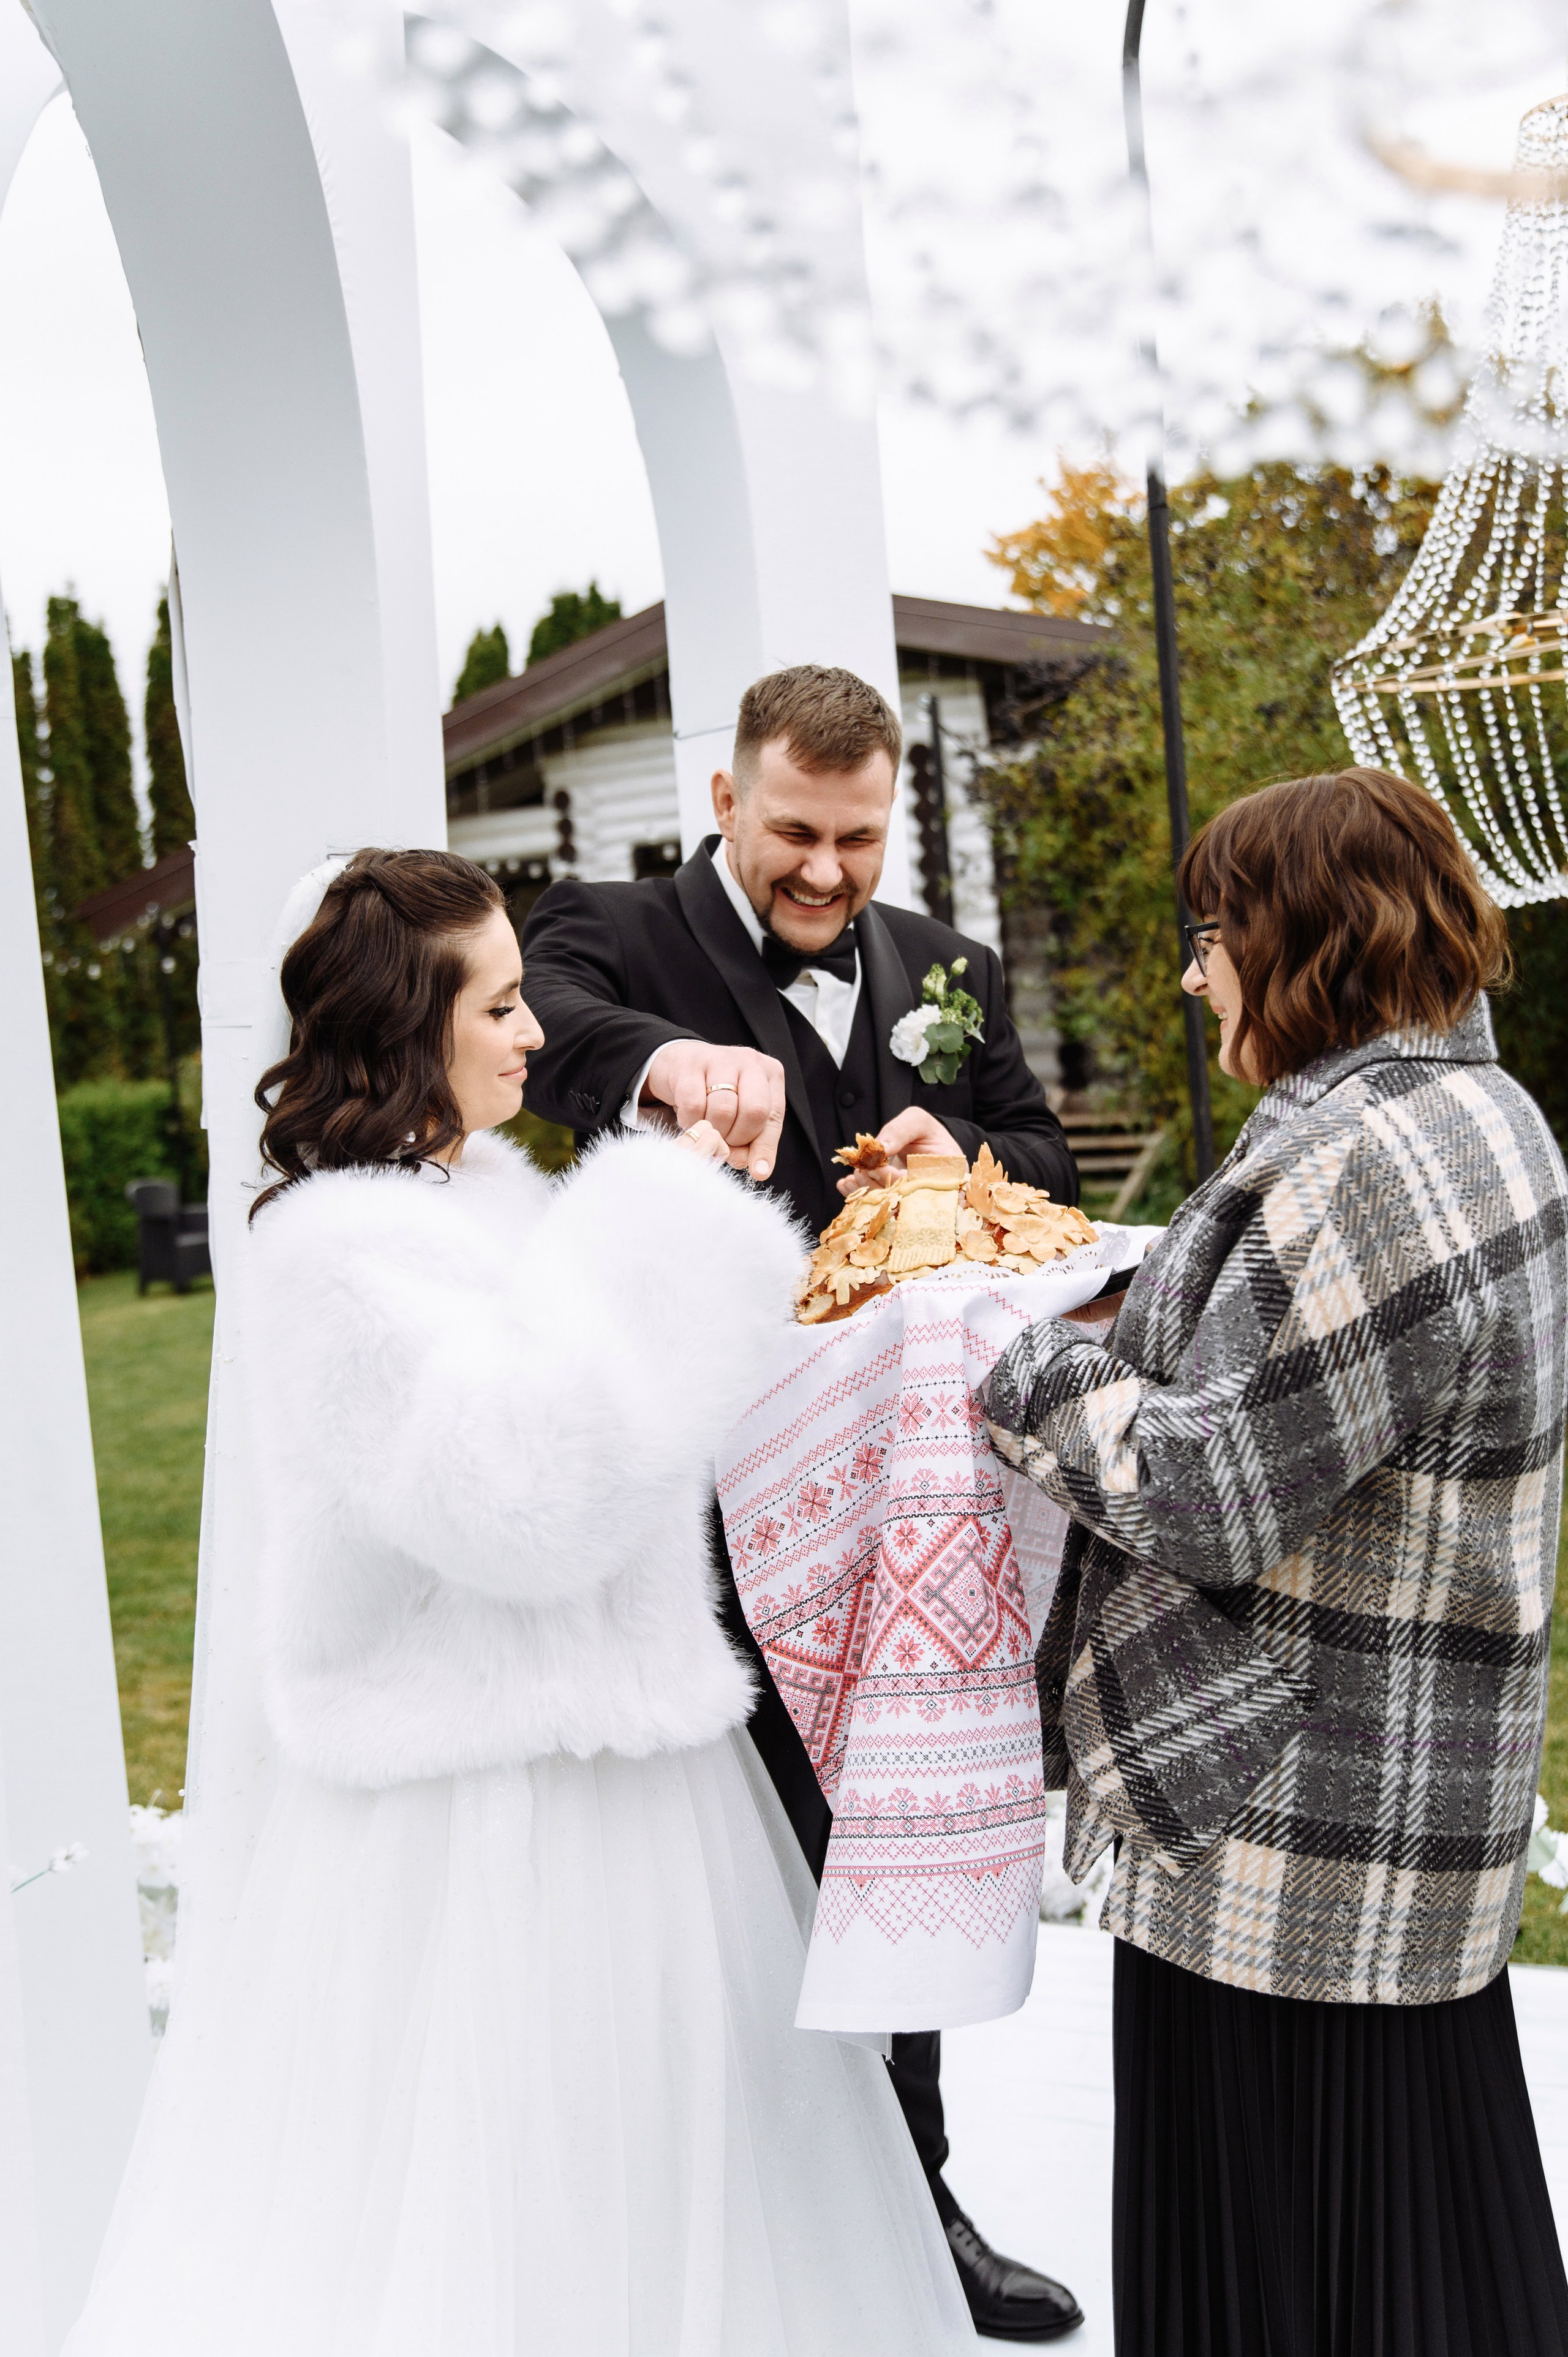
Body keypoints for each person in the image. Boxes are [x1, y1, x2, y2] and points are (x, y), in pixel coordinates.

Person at [64, 848, 976, 2357]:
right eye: (498, 1005)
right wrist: (667, 1216)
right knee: (501, 2191)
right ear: (404, 1027)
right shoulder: (337, 1253)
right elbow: (526, 1495)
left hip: (619, 1775)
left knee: (659, 2171)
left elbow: (633, 1417)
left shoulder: (476, 1200)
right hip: (472, 1825)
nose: (536, 1035)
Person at [520, 664, 1084, 2344]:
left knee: (879, 1842)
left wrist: (965, 1169)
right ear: (722, 803)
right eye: (792, 834)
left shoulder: (945, 970)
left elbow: (1041, 1155)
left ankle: (915, 2208)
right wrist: (678, 1063)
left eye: (857, 836)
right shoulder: (612, 936)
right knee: (712, 1875)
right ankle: (704, 2220)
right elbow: (550, 1034)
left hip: (902, 1524)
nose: (828, 872)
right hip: (691, 1516)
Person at [985, 766, 1568, 2357]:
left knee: (1289, 2277)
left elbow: (1216, 1497)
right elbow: (1305, 1368)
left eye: (1213, 935)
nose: (1196, 971)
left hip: (1293, 1819)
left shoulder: (1367, 1163)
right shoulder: (1476, 1111)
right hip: (1403, 1793)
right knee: (1431, 2243)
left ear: (1303, 940)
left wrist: (1028, 1368)